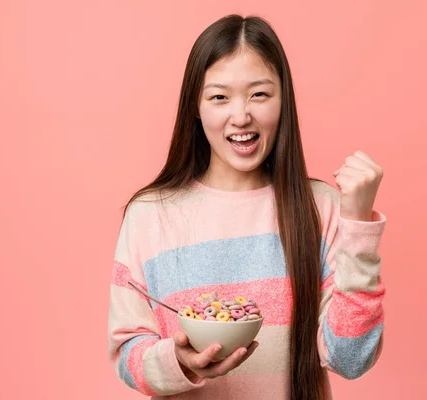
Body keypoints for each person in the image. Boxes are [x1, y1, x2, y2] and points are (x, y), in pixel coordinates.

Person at [107, 13, 386, 400]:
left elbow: (351, 359)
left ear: (283, 99)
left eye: (259, 94)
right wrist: (179, 361)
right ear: (195, 106)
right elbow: (127, 354)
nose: (241, 116)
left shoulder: (321, 209)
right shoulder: (150, 215)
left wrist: (358, 228)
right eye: (219, 97)